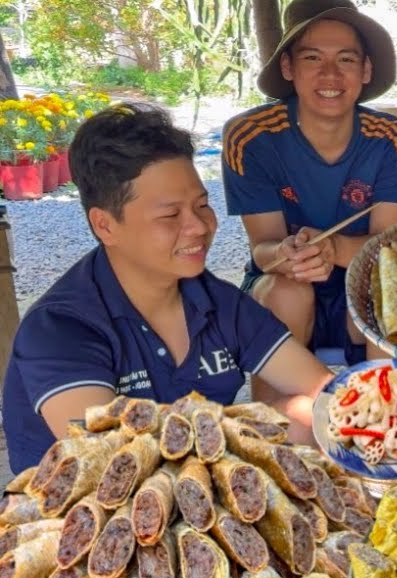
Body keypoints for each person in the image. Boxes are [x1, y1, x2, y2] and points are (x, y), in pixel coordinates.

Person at [2, 103, 334, 473]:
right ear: (105, 225)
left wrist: (383, 406)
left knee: (308, 418)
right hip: (89, 513)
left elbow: (322, 387)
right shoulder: (61, 330)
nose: (199, 227)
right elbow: (114, 469)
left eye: (202, 205)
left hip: (196, 485)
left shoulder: (215, 301)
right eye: (170, 215)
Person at [222, 0, 397, 403]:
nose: (330, 74)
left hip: (359, 283)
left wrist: (332, 249)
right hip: (282, 287)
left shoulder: (390, 138)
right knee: (288, 291)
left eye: (346, 59)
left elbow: (388, 249)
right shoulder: (251, 136)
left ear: (365, 70)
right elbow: (263, 250)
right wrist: (287, 253)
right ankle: (274, 427)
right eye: (313, 58)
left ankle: (383, 421)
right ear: (288, 68)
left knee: (386, 291)